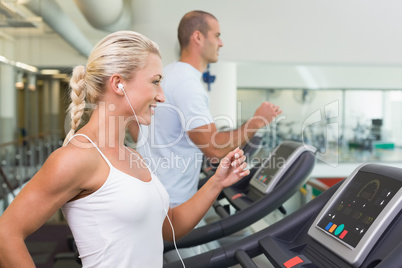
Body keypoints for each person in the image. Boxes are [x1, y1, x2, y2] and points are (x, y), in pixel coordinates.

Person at [0, 30, 250, 267]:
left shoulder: (133, 156)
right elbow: (5, 234)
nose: (162, 96)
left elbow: (169, 226)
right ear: (119, 84)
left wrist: (217, 182)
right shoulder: (76, 158)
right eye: (155, 82)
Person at [135, 10, 282, 207]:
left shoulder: (168, 74)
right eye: (217, 36)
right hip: (170, 201)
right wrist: (258, 121)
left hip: (154, 192)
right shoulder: (187, 83)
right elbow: (214, 149)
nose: (221, 43)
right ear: (198, 37)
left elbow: (137, 127)